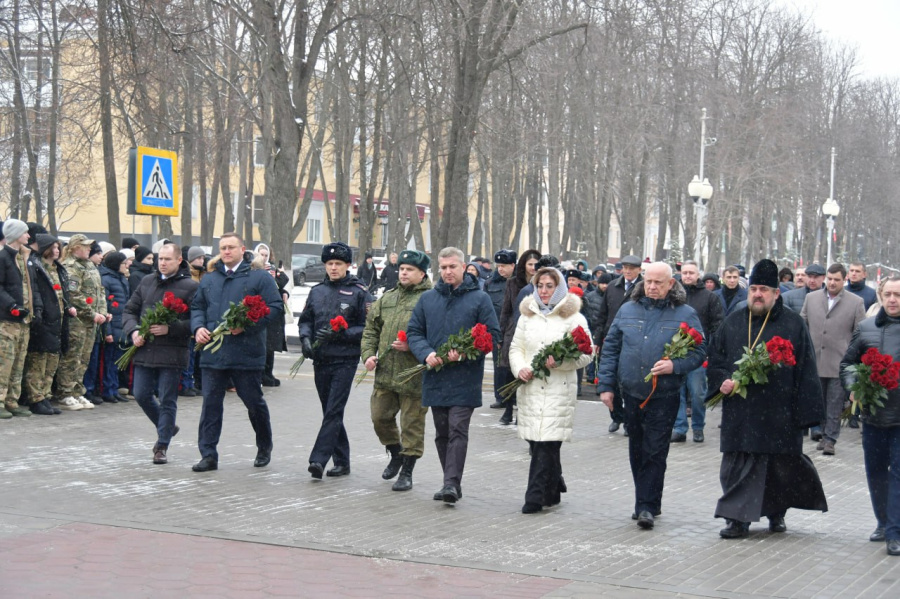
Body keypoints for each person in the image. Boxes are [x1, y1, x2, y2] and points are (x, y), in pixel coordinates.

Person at [706, 259, 827, 539]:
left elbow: (806, 369)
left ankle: (776, 513)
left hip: (779, 411)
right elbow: (717, 359)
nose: (757, 294)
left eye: (764, 289)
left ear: (776, 293)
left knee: (779, 467)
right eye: (754, 289)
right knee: (737, 467)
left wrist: (807, 414)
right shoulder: (734, 321)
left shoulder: (793, 324)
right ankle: (737, 519)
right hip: (741, 411)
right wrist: (721, 380)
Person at [597, 262, 706, 529]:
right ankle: (646, 500)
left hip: (664, 395)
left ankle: (646, 506)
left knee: (655, 450)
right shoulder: (628, 310)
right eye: (649, 282)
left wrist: (674, 366)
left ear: (671, 284)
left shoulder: (685, 313)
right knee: (637, 448)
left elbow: (700, 351)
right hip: (632, 392)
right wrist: (606, 386)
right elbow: (611, 349)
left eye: (659, 282)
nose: (653, 287)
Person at [406, 247, 500, 503]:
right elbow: (414, 332)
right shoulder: (428, 299)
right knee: (442, 432)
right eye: (444, 267)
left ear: (463, 267)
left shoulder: (479, 299)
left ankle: (450, 484)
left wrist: (466, 352)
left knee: (458, 428)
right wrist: (426, 353)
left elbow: (492, 335)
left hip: (464, 377)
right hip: (435, 376)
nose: (448, 272)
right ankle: (450, 481)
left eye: (453, 267)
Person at [190, 232, 283, 472]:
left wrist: (248, 325)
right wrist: (198, 327)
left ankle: (264, 445)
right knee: (210, 404)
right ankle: (208, 454)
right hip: (213, 352)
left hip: (246, 353)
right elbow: (198, 306)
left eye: (231, 247)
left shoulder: (259, 277)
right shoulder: (210, 278)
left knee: (253, 402)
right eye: (223, 248)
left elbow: (275, 308)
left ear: (243, 250)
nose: (226, 252)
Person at [509, 267, 591, 513]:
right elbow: (516, 347)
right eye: (540, 286)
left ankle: (533, 497)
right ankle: (553, 487)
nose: (544, 291)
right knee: (536, 441)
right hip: (531, 387)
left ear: (560, 288)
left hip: (558, 389)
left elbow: (587, 354)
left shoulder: (574, 317)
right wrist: (520, 368)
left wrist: (561, 362)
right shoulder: (528, 315)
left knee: (547, 444)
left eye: (549, 286)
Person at [299, 241, 373, 479]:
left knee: (334, 409)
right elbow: (306, 320)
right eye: (329, 263)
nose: (333, 268)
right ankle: (342, 461)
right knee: (329, 411)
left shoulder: (359, 292)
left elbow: (368, 328)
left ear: (347, 265)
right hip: (321, 359)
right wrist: (305, 339)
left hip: (344, 360)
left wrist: (343, 333)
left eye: (338, 264)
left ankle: (318, 460)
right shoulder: (317, 291)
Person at [360, 250, 432, 491]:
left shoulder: (430, 300)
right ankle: (395, 452)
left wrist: (413, 347)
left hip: (414, 375)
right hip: (386, 373)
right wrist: (368, 354)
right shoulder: (388, 297)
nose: (403, 272)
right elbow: (371, 329)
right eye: (401, 268)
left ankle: (408, 471)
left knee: (412, 425)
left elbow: (437, 336)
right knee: (379, 417)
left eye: (409, 269)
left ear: (422, 273)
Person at [840, 274, 900, 556]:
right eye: (888, 294)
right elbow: (848, 363)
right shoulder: (865, 329)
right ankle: (882, 521)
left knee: (898, 474)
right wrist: (854, 387)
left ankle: (894, 531)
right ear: (880, 296)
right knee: (876, 472)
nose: (892, 300)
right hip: (874, 416)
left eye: (898, 295)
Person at [124, 243, 198, 464]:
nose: (163, 263)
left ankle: (162, 445)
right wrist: (133, 330)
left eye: (168, 259)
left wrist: (171, 328)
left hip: (172, 352)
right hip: (145, 348)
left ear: (178, 261)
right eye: (160, 259)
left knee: (167, 399)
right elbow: (130, 310)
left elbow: (196, 320)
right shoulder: (147, 281)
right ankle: (167, 426)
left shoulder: (190, 287)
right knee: (141, 394)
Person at [800, 263, 865, 454]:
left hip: (839, 362)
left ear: (844, 280)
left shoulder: (855, 302)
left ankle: (830, 439)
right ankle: (821, 432)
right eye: (829, 279)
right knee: (818, 401)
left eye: (836, 279)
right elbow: (802, 323)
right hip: (815, 360)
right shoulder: (811, 298)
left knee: (835, 404)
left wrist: (853, 359)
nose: (832, 283)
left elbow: (860, 333)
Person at [672, 261, 723, 444]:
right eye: (684, 272)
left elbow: (717, 326)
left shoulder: (709, 297)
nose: (687, 276)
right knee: (677, 392)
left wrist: (710, 350)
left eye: (691, 273)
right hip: (675, 352)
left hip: (699, 353)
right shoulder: (674, 296)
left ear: (698, 274)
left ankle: (698, 427)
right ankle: (679, 428)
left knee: (697, 393)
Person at [57, 234, 108, 410]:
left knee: (84, 357)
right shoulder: (70, 266)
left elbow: (99, 291)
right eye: (85, 246)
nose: (89, 249)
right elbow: (73, 294)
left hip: (92, 320)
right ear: (74, 248)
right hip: (77, 319)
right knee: (72, 356)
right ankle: (65, 393)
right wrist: (91, 313)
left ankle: (77, 391)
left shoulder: (90, 266)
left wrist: (102, 311)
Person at [23, 235, 73, 415]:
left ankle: (45, 395)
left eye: (58, 247)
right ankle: (35, 398)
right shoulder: (36, 266)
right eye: (53, 247)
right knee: (38, 361)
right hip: (44, 318)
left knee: (52, 361)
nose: (57, 251)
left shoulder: (58, 268)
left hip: (58, 320)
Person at [596, 254, 644, 433]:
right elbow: (602, 314)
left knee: (629, 384)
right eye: (625, 268)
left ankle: (630, 420)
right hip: (611, 338)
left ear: (639, 270)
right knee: (611, 381)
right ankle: (616, 416)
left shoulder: (644, 288)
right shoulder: (612, 287)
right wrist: (597, 339)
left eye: (632, 268)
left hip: (633, 340)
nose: (628, 271)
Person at [0, 219, 43, 419]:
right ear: (17, 235)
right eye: (25, 233)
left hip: (23, 321)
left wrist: (35, 308)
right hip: (7, 321)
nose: (28, 236)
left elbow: (30, 286)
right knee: (4, 363)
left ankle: (12, 400)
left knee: (18, 363)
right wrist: (12, 306)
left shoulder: (24, 258)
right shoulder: (3, 258)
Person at [494, 249, 541, 420]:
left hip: (535, 330)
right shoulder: (513, 283)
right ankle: (508, 409)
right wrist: (501, 333)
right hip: (514, 329)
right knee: (509, 370)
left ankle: (523, 409)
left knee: (528, 370)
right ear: (523, 265)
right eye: (530, 264)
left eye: (536, 264)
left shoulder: (543, 283)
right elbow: (506, 310)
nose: (533, 268)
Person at [254, 243, 291, 387]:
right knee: (263, 344)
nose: (263, 258)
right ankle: (262, 373)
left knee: (271, 345)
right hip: (260, 309)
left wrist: (284, 292)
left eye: (265, 255)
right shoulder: (254, 269)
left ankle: (268, 373)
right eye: (261, 254)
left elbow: (278, 287)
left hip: (273, 312)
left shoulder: (272, 269)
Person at [485, 249, 515, 420]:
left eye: (504, 266)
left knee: (513, 366)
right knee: (499, 365)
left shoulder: (519, 283)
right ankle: (500, 397)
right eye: (498, 266)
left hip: (514, 331)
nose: (500, 269)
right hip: (497, 330)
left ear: (513, 265)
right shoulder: (491, 284)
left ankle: (514, 396)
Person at [98, 251, 131, 403]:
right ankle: (107, 390)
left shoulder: (122, 279)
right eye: (124, 263)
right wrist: (108, 331)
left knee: (117, 362)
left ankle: (114, 388)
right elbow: (105, 306)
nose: (127, 265)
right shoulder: (106, 280)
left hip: (122, 325)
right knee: (110, 361)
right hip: (112, 325)